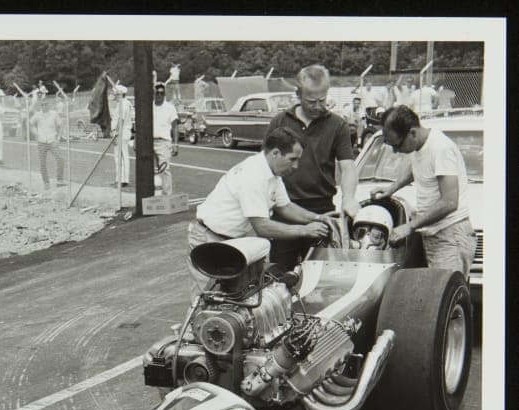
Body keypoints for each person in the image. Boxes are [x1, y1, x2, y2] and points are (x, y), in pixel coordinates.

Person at [266, 64, 360, 268]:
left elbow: (348, 166)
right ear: (298, 94)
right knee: (279, 274)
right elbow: (266, 166)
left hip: (322, 210)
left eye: (322, 100)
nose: (318, 106)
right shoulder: (279, 121)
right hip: (284, 209)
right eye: (311, 102)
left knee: (321, 275)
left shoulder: (338, 125)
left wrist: (349, 197)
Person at [187, 126, 330, 255]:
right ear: (275, 153)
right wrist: (304, 230)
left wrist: (318, 218)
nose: (296, 166)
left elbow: (285, 207)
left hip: (231, 238)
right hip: (209, 238)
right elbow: (262, 227)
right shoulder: (253, 175)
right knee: (211, 285)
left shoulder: (272, 172)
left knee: (243, 282)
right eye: (292, 159)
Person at [371, 105, 476, 274]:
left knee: (445, 296)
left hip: (449, 235)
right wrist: (392, 189)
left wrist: (410, 226)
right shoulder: (418, 146)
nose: (396, 151)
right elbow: (416, 168)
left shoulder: (440, 148)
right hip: (431, 232)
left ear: (412, 132)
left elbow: (449, 202)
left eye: (397, 145)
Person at [29, 92, 65, 191]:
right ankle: (46, 182)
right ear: (41, 106)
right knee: (42, 163)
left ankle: (60, 180)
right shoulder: (37, 115)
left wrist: (58, 138)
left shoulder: (54, 114)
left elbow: (60, 126)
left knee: (60, 159)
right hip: (41, 142)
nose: (44, 106)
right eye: (43, 105)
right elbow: (31, 124)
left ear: (49, 105)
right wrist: (36, 134)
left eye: (46, 104)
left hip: (52, 141)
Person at [151, 81, 180, 196]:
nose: (159, 95)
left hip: (164, 142)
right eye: (157, 92)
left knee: (164, 169)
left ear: (164, 94)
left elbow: (175, 127)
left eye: (161, 93)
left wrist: (176, 144)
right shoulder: (149, 106)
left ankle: (167, 195)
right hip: (150, 141)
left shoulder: (170, 108)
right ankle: (153, 195)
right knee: (151, 170)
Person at [110, 83, 133, 187]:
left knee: (122, 157)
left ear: (120, 94)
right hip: (121, 132)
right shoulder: (124, 103)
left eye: (116, 94)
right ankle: (119, 179)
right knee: (118, 157)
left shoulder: (123, 104)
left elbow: (121, 120)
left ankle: (123, 180)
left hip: (122, 132)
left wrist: (115, 133)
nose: (114, 96)